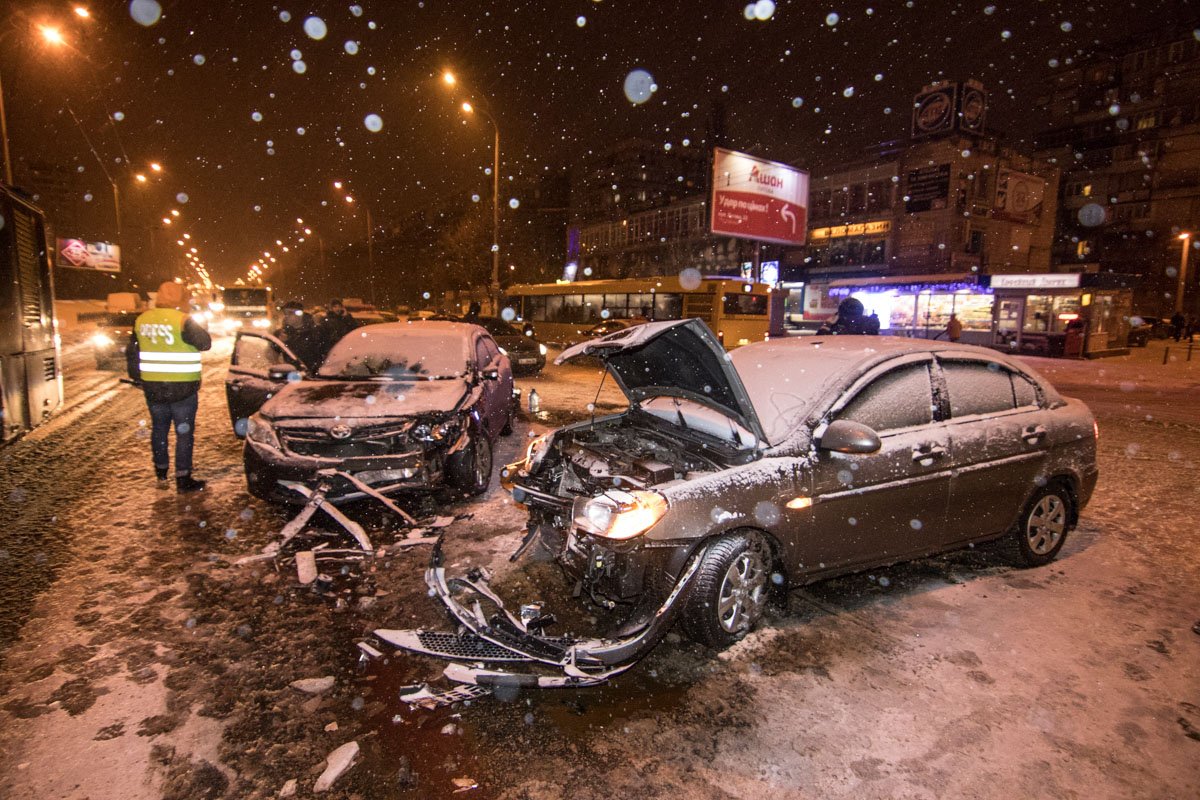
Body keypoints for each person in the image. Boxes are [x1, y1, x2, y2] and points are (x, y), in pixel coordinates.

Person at [126, 281, 212, 492]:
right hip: (183, 388)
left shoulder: (142, 319)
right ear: (182, 298)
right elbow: (205, 343)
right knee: (184, 432)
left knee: (159, 429)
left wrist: (137, 377)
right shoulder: (183, 320)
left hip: (153, 387)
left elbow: (131, 352)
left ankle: (161, 472)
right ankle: (183, 478)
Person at [274, 300, 324, 371]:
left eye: (290, 313)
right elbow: (271, 356)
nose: (286, 316)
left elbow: (321, 354)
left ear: (299, 314)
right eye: (285, 313)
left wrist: (288, 342)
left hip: (314, 376)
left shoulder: (315, 331)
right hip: (291, 376)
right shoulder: (281, 333)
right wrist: (279, 343)